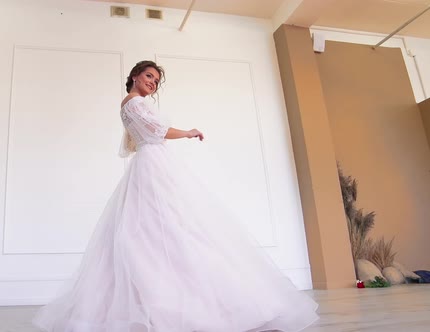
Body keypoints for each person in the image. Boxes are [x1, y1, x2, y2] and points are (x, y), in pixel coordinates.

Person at [33, 60, 319, 332]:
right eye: (148, 77)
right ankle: (180, 303)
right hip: (153, 163)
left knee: (165, 226)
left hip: (153, 161)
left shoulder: (133, 105)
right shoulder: (133, 103)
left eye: (156, 81)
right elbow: (158, 130)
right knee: (171, 225)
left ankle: (170, 299)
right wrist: (188, 132)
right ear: (135, 76)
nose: (153, 83)